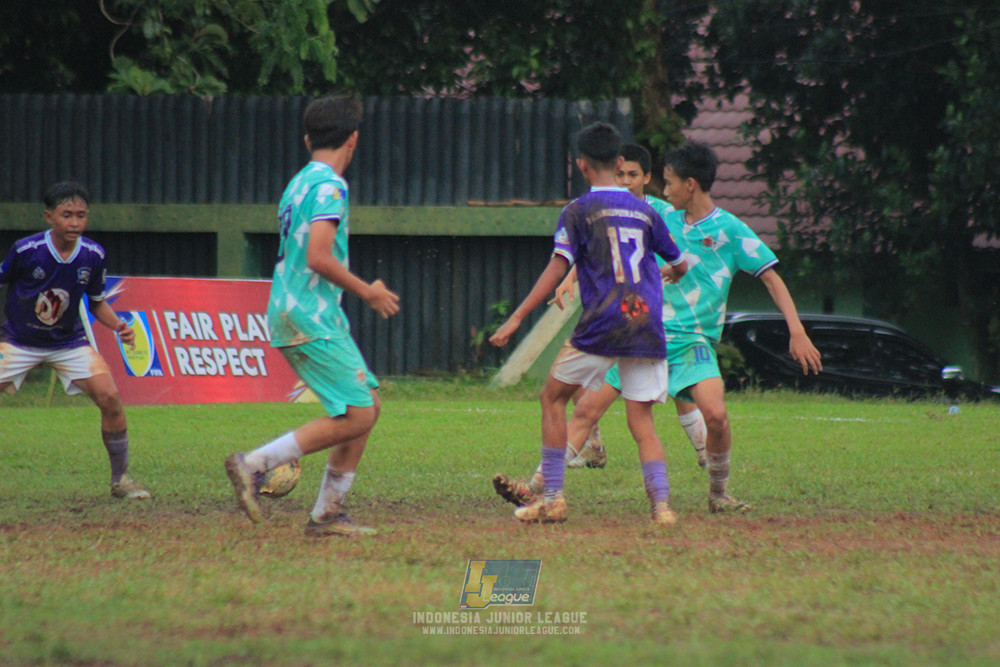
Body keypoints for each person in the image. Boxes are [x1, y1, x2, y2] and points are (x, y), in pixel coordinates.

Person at [497, 142, 823, 513]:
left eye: (668, 183)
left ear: (691, 184)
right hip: (646, 335)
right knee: (587, 409)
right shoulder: (660, 218)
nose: (663, 191)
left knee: (715, 414)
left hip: (693, 342)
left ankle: (718, 493)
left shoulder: (729, 230)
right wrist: (572, 275)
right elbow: (611, 242)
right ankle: (536, 486)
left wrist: (797, 331)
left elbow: (772, 278)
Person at [490, 122, 688, 525]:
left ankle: (554, 498)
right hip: (645, 324)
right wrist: (671, 275)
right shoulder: (647, 210)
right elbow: (679, 262)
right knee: (642, 421)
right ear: (619, 163)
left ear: (581, 165)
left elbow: (559, 265)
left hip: (602, 323)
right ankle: (662, 508)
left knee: (552, 398)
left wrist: (517, 317)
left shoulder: (578, 211)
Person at [224, 94, 400, 538]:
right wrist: (369, 291)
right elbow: (319, 256)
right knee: (359, 415)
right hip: (309, 316)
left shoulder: (299, 182)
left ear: (308, 139)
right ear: (354, 139)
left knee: (368, 405)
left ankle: (327, 513)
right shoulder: (330, 187)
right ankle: (256, 464)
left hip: (297, 310)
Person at [0, 181, 150, 499]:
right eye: (67, 215)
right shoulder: (27, 251)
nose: (75, 223)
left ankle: (121, 480)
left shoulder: (93, 255)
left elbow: (96, 300)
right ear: (48, 216)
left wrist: (117, 326)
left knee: (110, 397)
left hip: (68, 343)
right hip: (17, 341)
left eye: (81, 215)